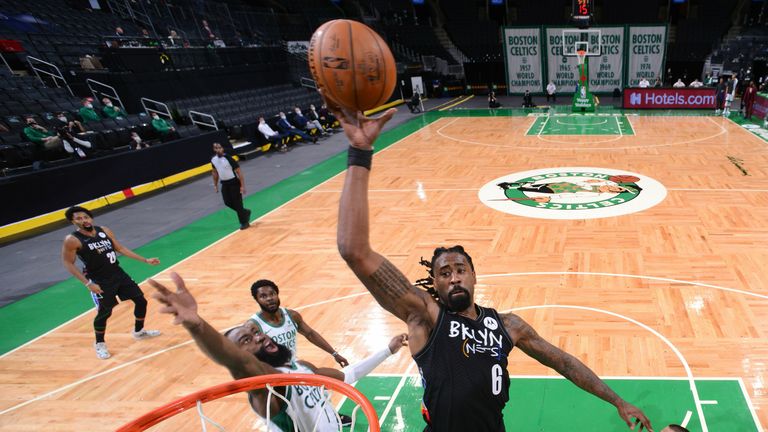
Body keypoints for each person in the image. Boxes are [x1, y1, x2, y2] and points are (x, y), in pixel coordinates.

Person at [327, 100, 654, 432]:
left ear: (473, 276)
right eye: (444, 273)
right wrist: (359, 152)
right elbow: (353, 250)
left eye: (459, 269)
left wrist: (618, 400)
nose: (453, 277)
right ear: (435, 285)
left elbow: (565, 363)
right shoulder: (425, 316)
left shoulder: (509, 326)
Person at [149, 272, 408, 432]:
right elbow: (235, 361)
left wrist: (387, 350)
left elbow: (347, 375)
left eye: (256, 332)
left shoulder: (302, 367)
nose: (259, 336)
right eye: (247, 340)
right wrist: (196, 325)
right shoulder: (268, 386)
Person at [61, 206, 161, 359]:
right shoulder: (72, 240)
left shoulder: (104, 230)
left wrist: (145, 260)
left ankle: (139, 331)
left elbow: (119, 248)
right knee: (105, 312)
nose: (84, 220)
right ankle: (99, 344)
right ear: (73, 221)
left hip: (118, 274)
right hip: (99, 281)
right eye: (79, 218)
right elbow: (68, 263)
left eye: (86, 217)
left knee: (141, 301)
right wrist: (88, 284)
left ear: (91, 218)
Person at [249, 279, 349, 367]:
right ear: (257, 300)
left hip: (293, 365)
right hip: (273, 373)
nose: (269, 298)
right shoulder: (253, 326)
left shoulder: (292, 315)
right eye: (263, 296)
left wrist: (334, 354)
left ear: (277, 294)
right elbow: (248, 357)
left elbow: (310, 334)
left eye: (272, 294)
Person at [210, 142, 252, 230]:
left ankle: (244, 222)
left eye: (220, 148)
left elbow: (239, 171)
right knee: (227, 202)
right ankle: (245, 212)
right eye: (216, 148)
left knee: (238, 203)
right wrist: (215, 184)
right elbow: (214, 172)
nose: (218, 150)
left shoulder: (228, 158)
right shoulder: (213, 160)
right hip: (224, 184)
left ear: (222, 148)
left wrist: (242, 186)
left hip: (234, 183)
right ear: (214, 150)